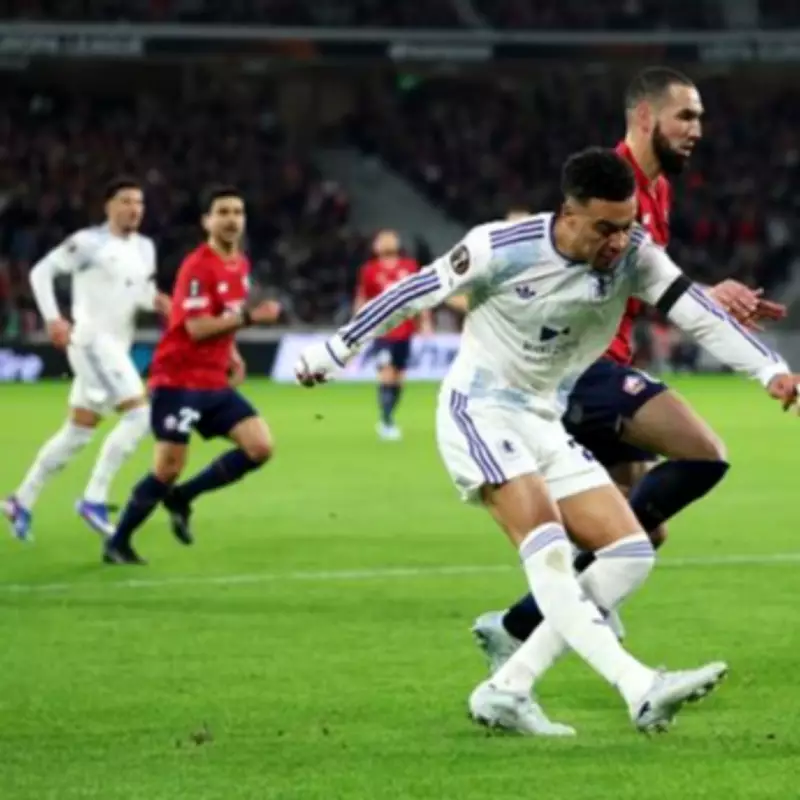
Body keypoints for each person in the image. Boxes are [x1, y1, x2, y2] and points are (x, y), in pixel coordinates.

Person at [295, 147, 799, 735]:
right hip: (478, 411)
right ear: (569, 213)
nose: (618, 241)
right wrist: (333, 351)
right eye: (605, 228)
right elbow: (414, 293)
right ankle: (640, 687)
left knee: (630, 553)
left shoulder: (635, 255)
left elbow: (697, 312)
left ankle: (508, 687)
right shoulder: (501, 248)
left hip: (541, 418)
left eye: (628, 224)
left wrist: (772, 371)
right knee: (551, 550)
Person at [473, 66, 787, 663]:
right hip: (584, 367)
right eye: (686, 116)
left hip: (605, 360)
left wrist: (699, 295)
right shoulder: (611, 188)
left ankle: (522, 632)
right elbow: (584, 278)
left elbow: (646, 280)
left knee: (645, 530)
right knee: (703, 453)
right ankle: (525, 621)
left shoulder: (658, 187)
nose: (698, 128)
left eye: (700, 116)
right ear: (645, 118)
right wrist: (704, 298)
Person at [103, 186, 281, 565]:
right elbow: (196, 328)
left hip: (214, 381)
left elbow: (222, 317)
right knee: (167, 467)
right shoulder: (198, 266)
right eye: (223, 212)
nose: (232, 219)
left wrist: (232, 353)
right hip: (178, 381)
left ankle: (183, 497)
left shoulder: (240, 264)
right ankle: (118, 542)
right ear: (207, 221)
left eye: (238, 211)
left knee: (260, 447)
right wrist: (252, 318)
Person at [4, 177, 170, 540]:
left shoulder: (145, 248)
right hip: (92, 341)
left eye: (139, 203)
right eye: (126, 201)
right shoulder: (88, 243)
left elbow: (138, 292)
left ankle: (21, 498)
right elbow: (41, 272)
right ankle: (94, 498)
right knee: (140, 415)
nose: (134, 209)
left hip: (116, 345)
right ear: (108, 206)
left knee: (78, 432)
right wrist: (52, 318)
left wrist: (158, 302)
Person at [354, 229, 433, 441]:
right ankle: (386, 422)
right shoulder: (369, 270)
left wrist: (424, 322)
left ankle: (388, 417)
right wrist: (358, 325)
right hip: (382, 331)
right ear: (376, 246)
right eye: (382, 239)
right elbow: (363, 298)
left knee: (399, 378)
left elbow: (419, 296)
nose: (387, 242)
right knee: (387, 374)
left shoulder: (409, 267)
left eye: (390, 238)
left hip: (405, 331)